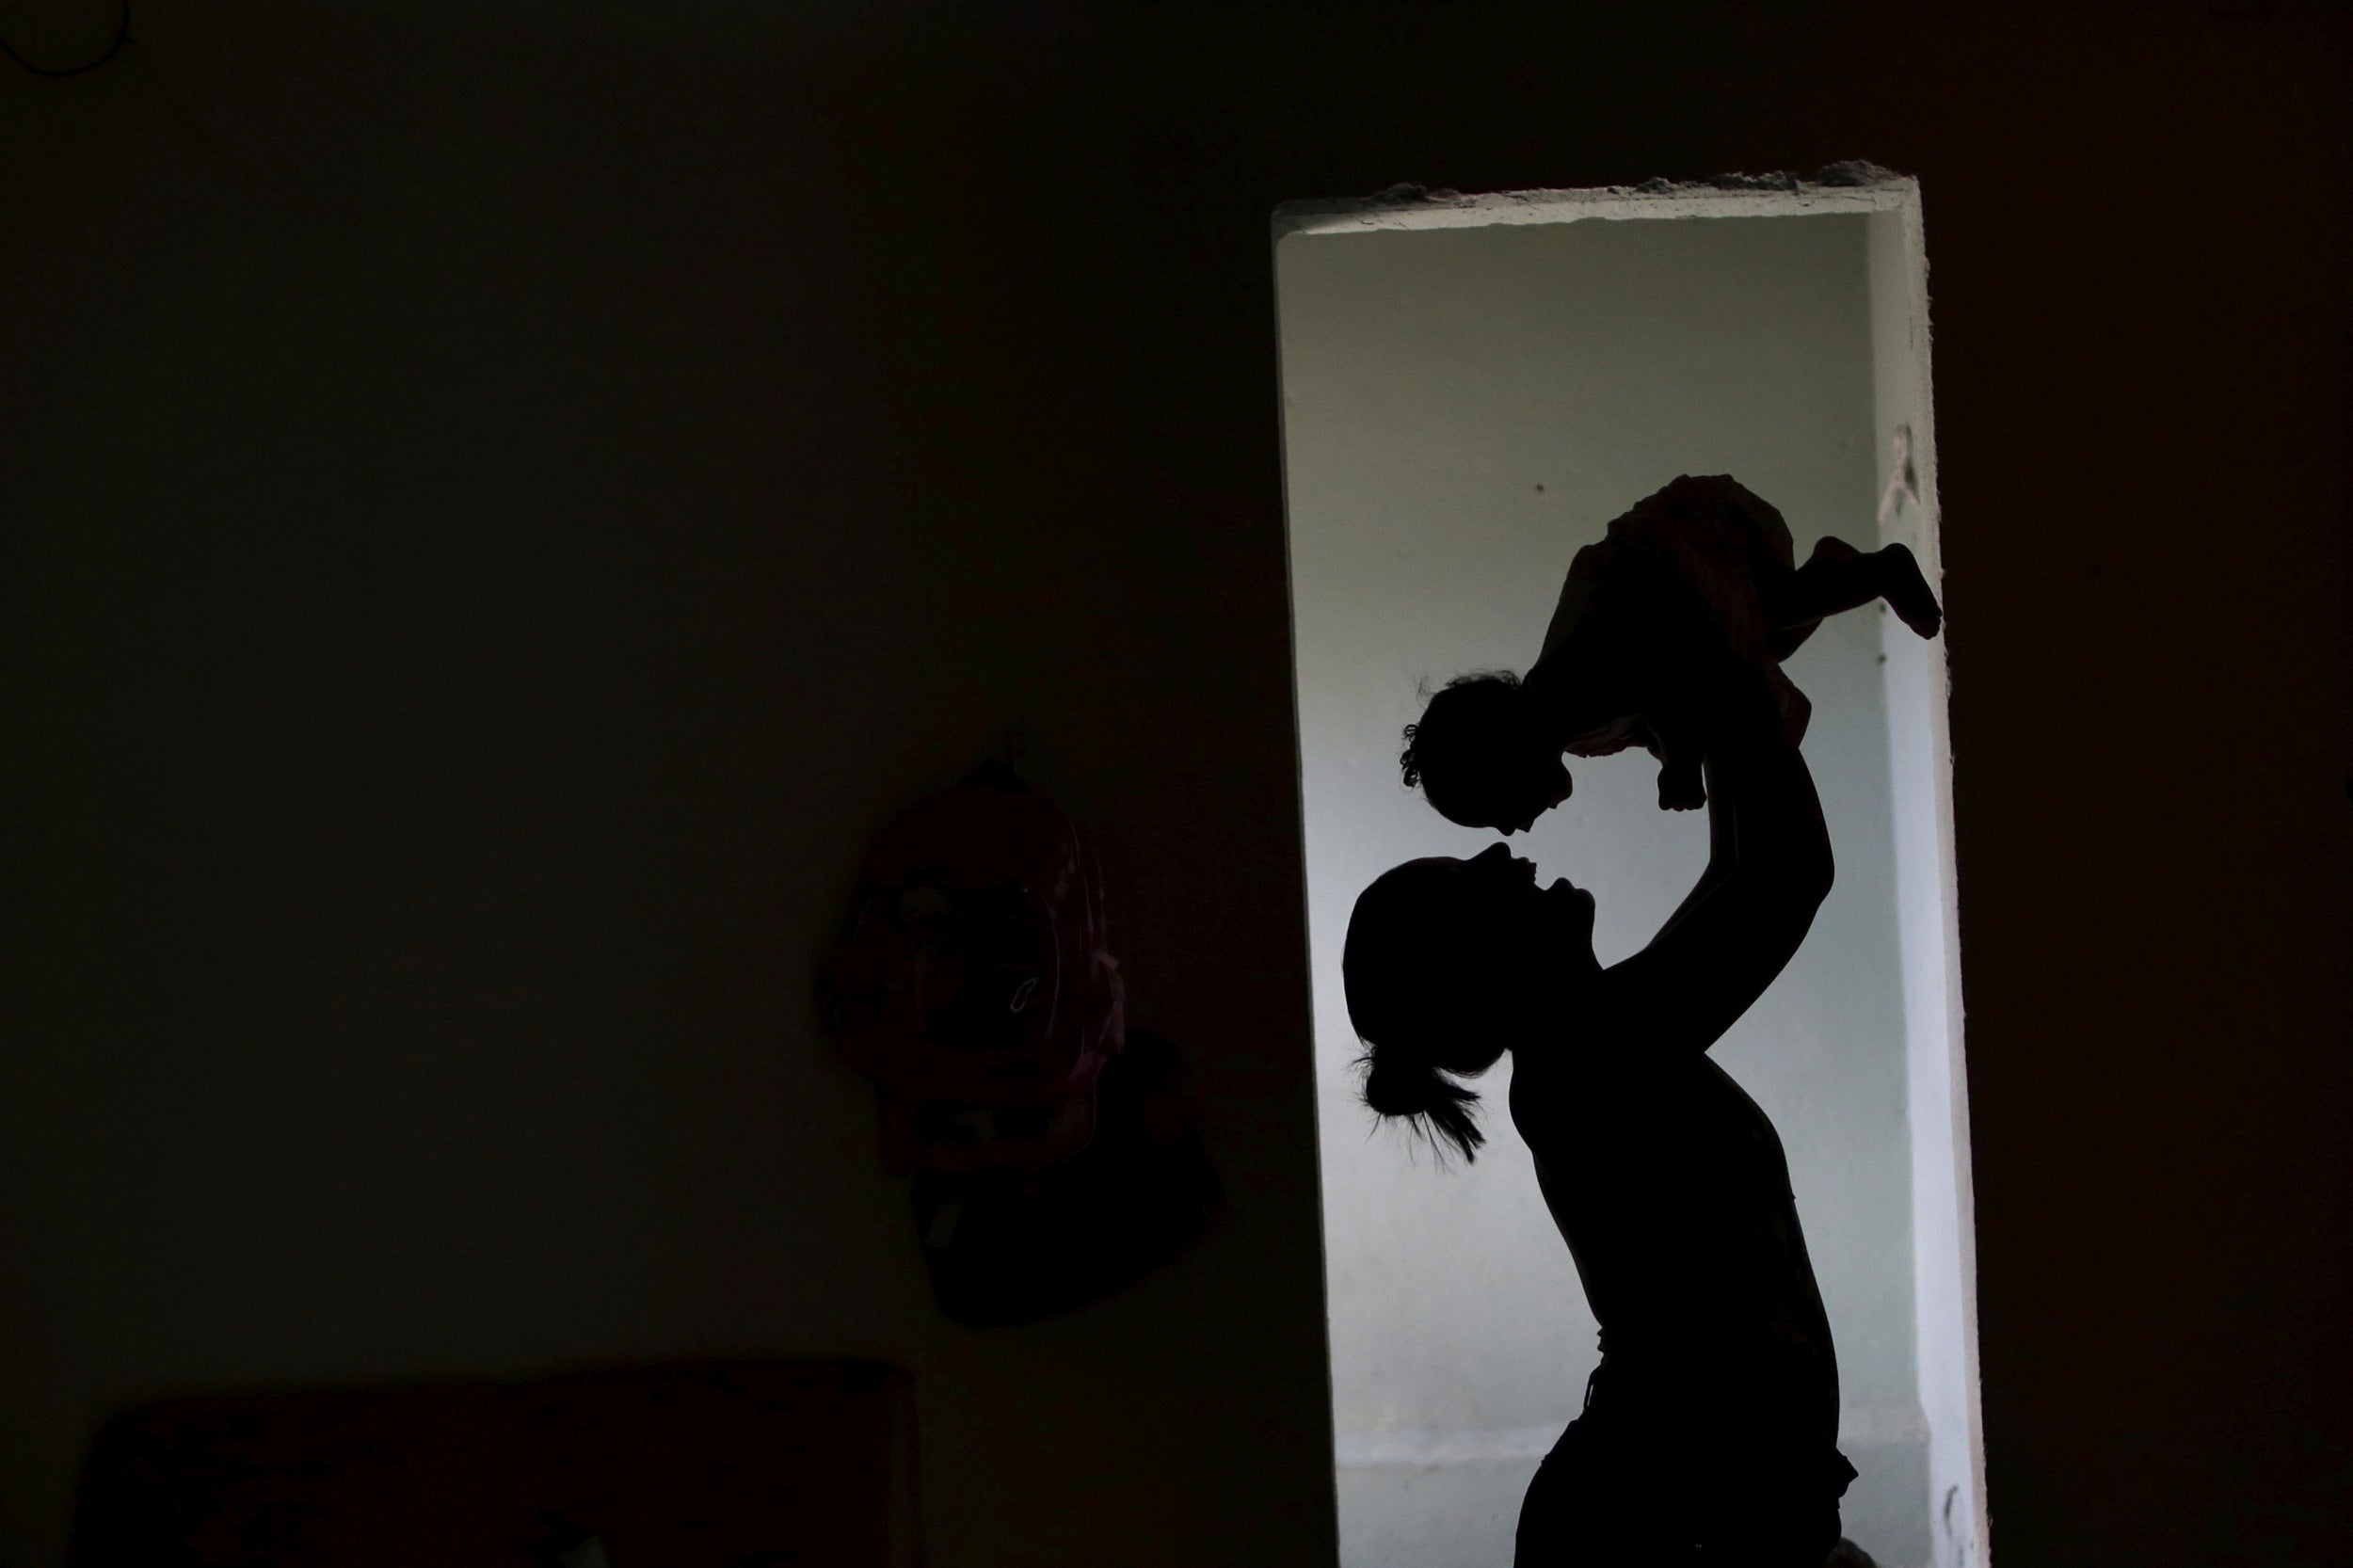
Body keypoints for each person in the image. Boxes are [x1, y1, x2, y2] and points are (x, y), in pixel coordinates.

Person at [1344, 663, 1876, 1567]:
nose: (1502, 853)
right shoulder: (1590, 1057)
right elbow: (1788, 875)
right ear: (1476, 969)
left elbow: (1740, 870)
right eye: (1474, 880)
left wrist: (1714, 712)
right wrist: (1730, 665)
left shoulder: (1592, 1040)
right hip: (1669, 1508)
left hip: (1682, 1499)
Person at [1400, 474, 1941, 831]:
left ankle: (1879, 571)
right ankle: (1837, 572)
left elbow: (1666, 685)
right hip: (1679, 604)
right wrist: (1676, 755)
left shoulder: (1569, 695)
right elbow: (1657, 714)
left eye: (1499, 813)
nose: (1512, 830)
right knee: (1767, 635)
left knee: (1765, 617)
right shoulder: (1577, 729)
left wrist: (1681, 767)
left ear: (1506, 757)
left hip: (1671, 578)